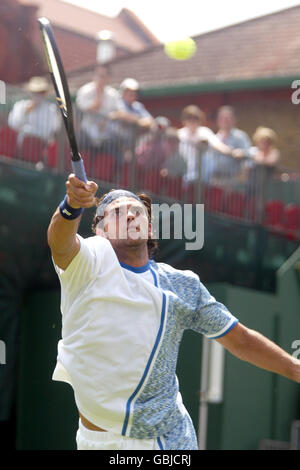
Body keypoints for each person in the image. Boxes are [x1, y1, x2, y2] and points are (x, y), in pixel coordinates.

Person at [47, 174, 300, 451]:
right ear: (101, 230)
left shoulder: (183, 285)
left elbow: (239, 338)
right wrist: (71, 206)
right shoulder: (89, 262)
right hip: (93, 439)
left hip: (162, 441)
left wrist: (295, 369)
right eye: (117, 212)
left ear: (150, 226)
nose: (130, 215)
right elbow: (60, 244)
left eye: (137, 211)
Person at [177, 105, 240, 186]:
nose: (192, 121)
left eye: (195, 118)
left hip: (203, 176)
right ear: (184, 120)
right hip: (184, 175)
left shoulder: (205, 132)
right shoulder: (179, 134)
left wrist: (233, 152)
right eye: (189, 118)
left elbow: (218, 145)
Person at [75, 65, 121, 173]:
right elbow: (88, 107)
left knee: (116, 152)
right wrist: (99, 94)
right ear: (94, 76)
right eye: (99, 75)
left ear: (109, 77)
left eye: (104, 76)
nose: (101, 78)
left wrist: (106, 119)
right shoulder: (85, 90)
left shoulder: (113, 94)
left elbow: (119, 112)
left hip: (105, 135)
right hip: (86, 134)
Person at [8, 76, 61, 144]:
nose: (37, 95)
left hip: (42, 148)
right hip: (21, 148)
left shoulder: (51, 109)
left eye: (40, 92)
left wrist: (27, 130)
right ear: (30, 92)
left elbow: (47, 132)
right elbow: (13, 124)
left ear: (45, 93)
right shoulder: (21, 106)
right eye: (35, 92)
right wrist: (25, 112)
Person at [208, 105, 252, 182]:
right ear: (218, 120)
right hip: (215, 179)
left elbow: (248, 157)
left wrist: (243, 176)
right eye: (222, 118)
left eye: (228, 118)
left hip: (234, 179)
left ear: (234, 120)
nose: (225, 120)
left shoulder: (241, 136)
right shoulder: (214, 138)